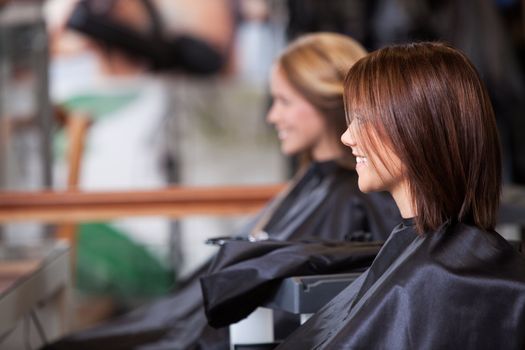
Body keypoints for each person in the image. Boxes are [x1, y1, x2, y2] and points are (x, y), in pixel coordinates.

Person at [42, 33, 400, 350]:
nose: (273, 116)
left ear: (324, 101)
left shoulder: (351, 200)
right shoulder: (313, 186)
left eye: (284, 102)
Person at [275, 42, 525, 349]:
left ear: (416, 128)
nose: (347, 137)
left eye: (363, 120)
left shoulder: (446, 279)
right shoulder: (431, 262)